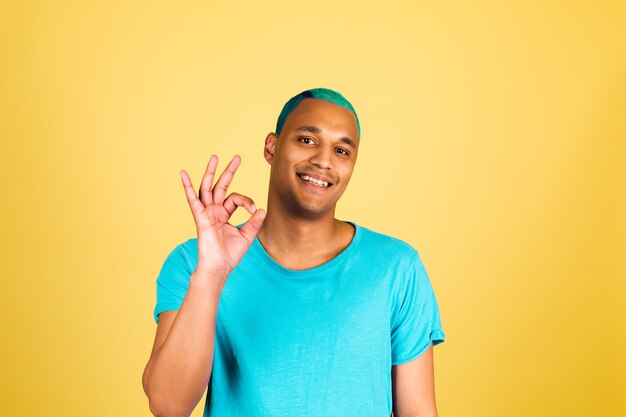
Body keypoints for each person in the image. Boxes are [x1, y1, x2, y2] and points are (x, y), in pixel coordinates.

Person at [142, 88, 446, 417]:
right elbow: (168, 405)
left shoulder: (397, 269)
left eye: (342, 150)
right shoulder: (195, 262)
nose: (324, 161)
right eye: (306, 140)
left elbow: (417, 411)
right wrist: (211, 275)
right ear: (272, 147)